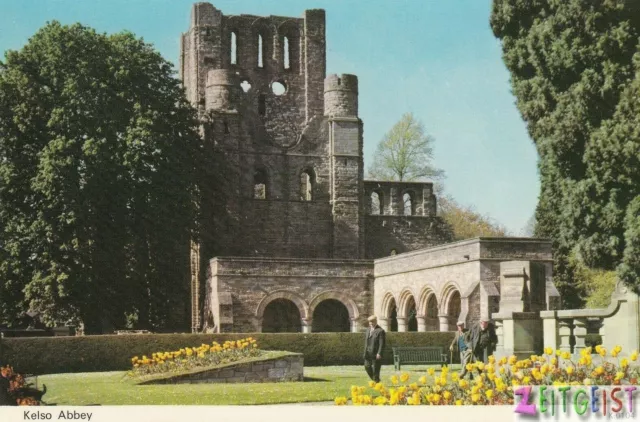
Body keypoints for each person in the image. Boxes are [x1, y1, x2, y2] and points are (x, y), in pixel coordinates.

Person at [363, 315, 386, 383]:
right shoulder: (368, 329)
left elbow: (382, 343)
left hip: (375, 353)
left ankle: (376, 381)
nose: (371, 324)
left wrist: (379, 353)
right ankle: (375, 379)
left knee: (376, 369)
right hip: (367, 352)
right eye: (370, 322)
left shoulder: (380, 331)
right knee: (367, 366)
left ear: (376, 321)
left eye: (372, 322)